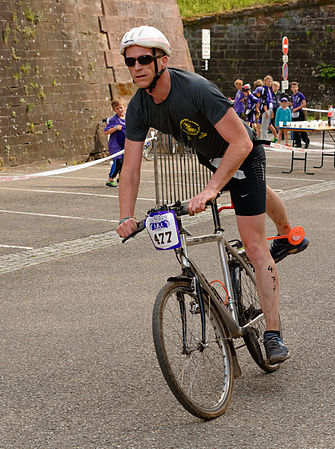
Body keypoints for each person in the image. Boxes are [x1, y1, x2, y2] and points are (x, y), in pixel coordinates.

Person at [116, 26, 309, 365]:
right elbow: (130, 169)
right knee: (249, 193)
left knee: (253, 244)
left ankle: (273, 334)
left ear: (162, 60)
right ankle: (288, 237)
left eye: (144, 59)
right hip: (214, 159)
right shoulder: (139, 107)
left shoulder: (195, 90)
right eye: (130, 61)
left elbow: (242, 142)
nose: (137, 67)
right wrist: (126, 216)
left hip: (244, 153)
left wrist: (211, 189)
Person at [104, 97, 126, 187]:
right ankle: (110, 180)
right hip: (115, 145)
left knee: (124, 162)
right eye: (117, 108)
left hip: (124, 144)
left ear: (124, 107)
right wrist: (116, 128)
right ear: (114, 110)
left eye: (121, 107)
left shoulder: (127, 117)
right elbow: (106, 132)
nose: (120, 110)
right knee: (118, 161)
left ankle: (121, 178)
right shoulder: (114, 120)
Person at [290, 81, 310, 149]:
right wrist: (291, 104)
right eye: (293, 87)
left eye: (295, 87)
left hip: (300, 113)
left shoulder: (300, 95)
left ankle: (306, 140)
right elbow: (295, 103)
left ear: (298, 87)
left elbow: (304, 104)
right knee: (294, 128)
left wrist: (296, 109)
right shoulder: (292, 96)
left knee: (301, 128)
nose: (294, 89)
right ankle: (297, 142)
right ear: (291, 88)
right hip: (294, 114)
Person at [260, 75, 278, 142]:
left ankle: (265, 137)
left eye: (270, 81)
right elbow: (263, 100)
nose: (269, 83)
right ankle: (263, 138)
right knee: (264, 124)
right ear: (265, 82)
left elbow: (271, 101)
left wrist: (272, 111)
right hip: (266, 109)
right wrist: (266, 111)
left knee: (268, 124)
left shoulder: (270, 90)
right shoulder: (264, 89)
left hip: (270, 108)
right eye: (268, 81)